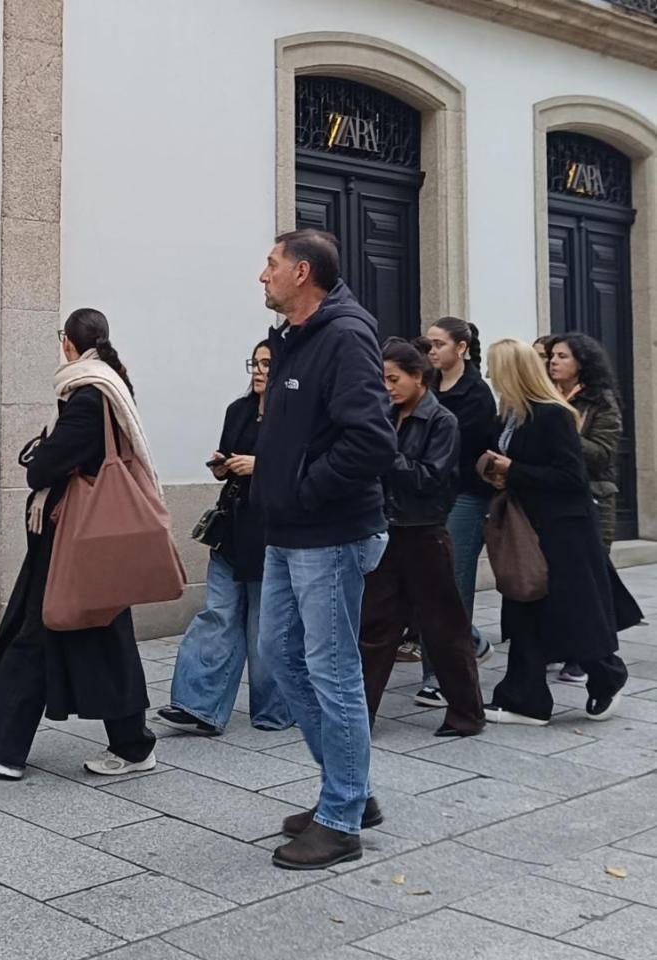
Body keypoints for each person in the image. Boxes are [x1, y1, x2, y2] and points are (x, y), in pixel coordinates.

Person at [0, 309, 157, 778]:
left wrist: (40, 457)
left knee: (38, 633)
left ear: (68, 342)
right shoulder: (111, 386)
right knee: (102, 637)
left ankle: (3, 748)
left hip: (72, 540)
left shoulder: (87, 394)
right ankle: (132, 744)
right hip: (88, 540)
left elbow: (46, 469)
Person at [253, 229, 397, 871]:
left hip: (328, 533)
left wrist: (304, 491)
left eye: (272, 264)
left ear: (302, 272)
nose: (262, 275)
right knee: (280, 655)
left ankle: (340, 819)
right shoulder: (293, 338)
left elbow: (371, 442)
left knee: (332, 669)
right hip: (288, 531)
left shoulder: (343, 335)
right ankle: (352, 787)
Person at [478, 339, 628, 725]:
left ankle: (607, 674)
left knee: (571, 612)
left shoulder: (552, 415)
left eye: (495, 366)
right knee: (525, 609)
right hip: (527, 524)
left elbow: (571, 478)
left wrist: (513, 470)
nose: (489, 374)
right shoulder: (511, 414)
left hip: (562, 531)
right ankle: (524, 699)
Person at [156, 341, 291, 736]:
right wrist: (223, 465)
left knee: (266, 624)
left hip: (274, 532)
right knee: (217, 615)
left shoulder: (297, 416)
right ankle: (197, 705)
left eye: (268, 364)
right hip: (233, 526)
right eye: (255, 362)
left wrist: (260, 466)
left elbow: (306, 468)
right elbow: (231, 457)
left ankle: (274, 709)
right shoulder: (240, 410)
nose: (259, 370)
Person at [358, 339, 485, 739]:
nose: (388, 387)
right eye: (382, 380)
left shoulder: (440, 420)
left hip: (425, 533)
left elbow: (432, 478)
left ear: (418, 377)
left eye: (394, 379)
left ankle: (467, 713)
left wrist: (384, 457)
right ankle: (359, 717)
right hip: (386, 532)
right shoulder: (385, 415)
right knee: (375, 628)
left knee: (444, 629)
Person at [421, 318, 498, 707]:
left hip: (466, 495)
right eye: (429, 345)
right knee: (427, 582)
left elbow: (460, 450)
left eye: (438, 344)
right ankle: (469, 643)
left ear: (462, 348)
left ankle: (441, 676)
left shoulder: (477, 394)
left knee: (452, 581)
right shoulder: (429, 386)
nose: (432, 351)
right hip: (429, 496)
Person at [547, 333, 625, 684]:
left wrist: (562, 431)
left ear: (581, 361)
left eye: (562, 356)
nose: (553, 361)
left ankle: (591, 655)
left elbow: (604, 454)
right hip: (557, 497)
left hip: (595, 496)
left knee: (593, 582)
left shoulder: (600, 401)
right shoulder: (550, 396)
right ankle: (564, 646)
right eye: (552, 356)